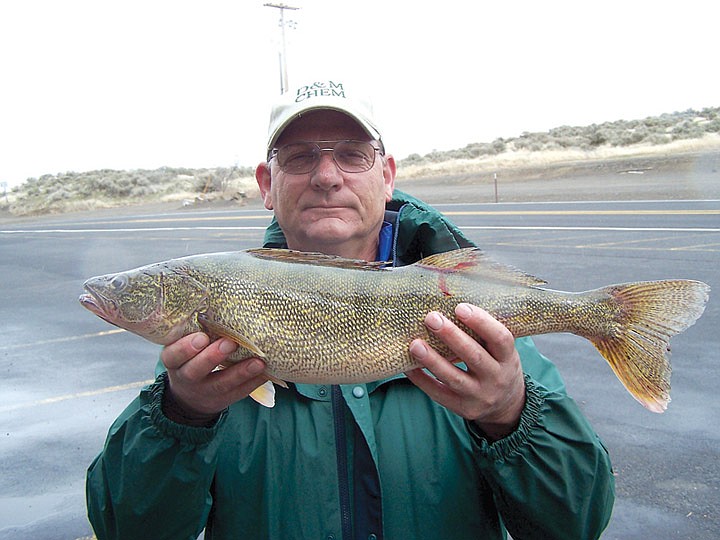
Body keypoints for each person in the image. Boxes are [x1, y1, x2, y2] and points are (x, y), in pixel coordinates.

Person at [86, 79, 615, 539]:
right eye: (299, 157)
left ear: (386, 176)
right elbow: (126, 528)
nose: (326, 176)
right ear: (266, 185)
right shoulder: (193, 366)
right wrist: (182, 416)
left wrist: (509, 415)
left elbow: (577, 523)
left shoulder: (490, 343)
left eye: (351, 155)